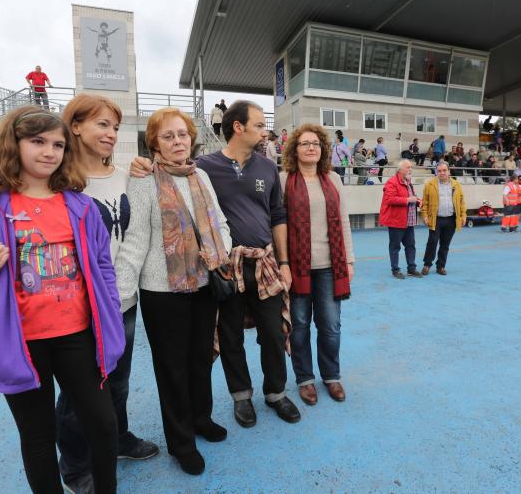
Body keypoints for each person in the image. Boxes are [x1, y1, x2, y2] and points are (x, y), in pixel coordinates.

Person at [0, 95, 159, 493]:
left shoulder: (79, 205)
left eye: (57, 145)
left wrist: (106, 327)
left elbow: (102, 269)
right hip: (23, 342)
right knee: (39, 439)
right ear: (13, 145)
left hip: (76, 336)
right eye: (38, 142)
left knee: (104, 424)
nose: (49, 152)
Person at [129, 101, 300, 427]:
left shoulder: (267, 168)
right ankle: (242, 397)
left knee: (274, 333)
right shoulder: (204, 167)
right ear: (239, 127)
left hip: (264, 264)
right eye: (260, 125)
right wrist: (139, 164)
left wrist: (285, 262)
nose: (265, 131)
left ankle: (276, 392)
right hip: (225, 267)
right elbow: (167, 172)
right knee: (230, 335)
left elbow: (278, 215)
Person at [114, 108, 230, 476]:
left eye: (182, 134)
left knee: (200, 359)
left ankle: (201, 418)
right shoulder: (145, 181)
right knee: (172, 368)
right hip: (162, 290)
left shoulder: (201, 175)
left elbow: (219, 221)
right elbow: (134, 241)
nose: (178, 141)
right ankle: (181, 442)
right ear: (155, 143)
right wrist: (121, 295)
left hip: (204, 281)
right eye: (168, 136)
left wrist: (220, 253)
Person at [279, 123, 354, 405]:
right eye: (304, 143)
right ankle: (305, 379)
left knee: (331, 325)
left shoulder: (333, 180)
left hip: (329, 265)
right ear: (294, 149)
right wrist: (282, 262)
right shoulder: (284, 179)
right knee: (299, 325)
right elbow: (279, 223)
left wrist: (349, 260)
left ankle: (331, 376)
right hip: (298, 266)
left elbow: (344, 221)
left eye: (316, 144)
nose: (311, 148)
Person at [420, 161, 466, 275]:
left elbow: (461, 202)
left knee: (445, 244)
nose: (442, 173)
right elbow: (424, 203)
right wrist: (425, 215)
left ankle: (441, 266)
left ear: (449, 171)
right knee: (432, 242)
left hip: (451, 219)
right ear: (436, 172)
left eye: (444, 170)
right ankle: (427, 264)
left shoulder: (456, 185)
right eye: (439, 171)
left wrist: (463, 215)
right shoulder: (429, 185)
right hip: (436, 219)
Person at [379, 159, 422, 279]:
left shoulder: (408, 182)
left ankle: (411, 268)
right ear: (400, 170)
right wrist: (408, 200)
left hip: (409, 221)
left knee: (411, 245)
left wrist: (418, 201)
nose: (410, 169)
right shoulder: (391, 182)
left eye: (411, 167)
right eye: (408, 167)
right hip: (396, 221)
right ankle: (395, 270)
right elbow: (390, 199)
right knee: (395, 247)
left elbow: (410, 197)